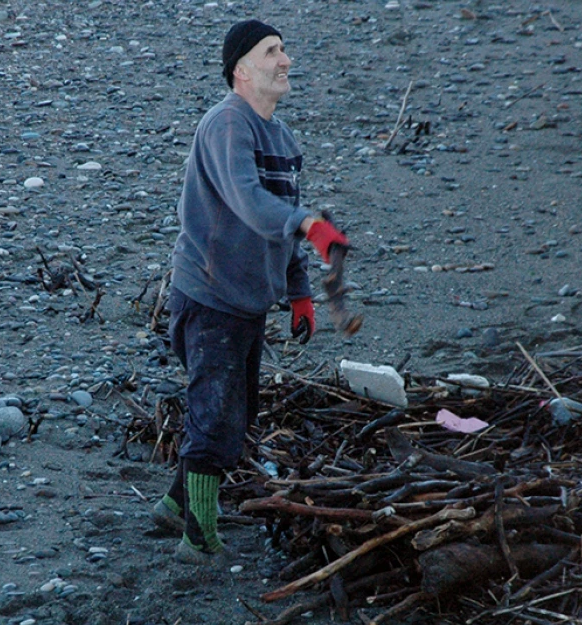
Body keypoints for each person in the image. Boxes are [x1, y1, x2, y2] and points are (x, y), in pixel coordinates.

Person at [150, 19, 351, 564]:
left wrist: (300, 292)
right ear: (241, 69)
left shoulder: (282, 139)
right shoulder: (225, 124)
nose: (285, 60)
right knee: (213, 417)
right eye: (272, 51)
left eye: (284, 50)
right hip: (209, 295)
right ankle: (199, 536)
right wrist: (309, 224)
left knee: (234, 415)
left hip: (249, 303)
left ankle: (174, 507)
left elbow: (277, 228)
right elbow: (246, 200)